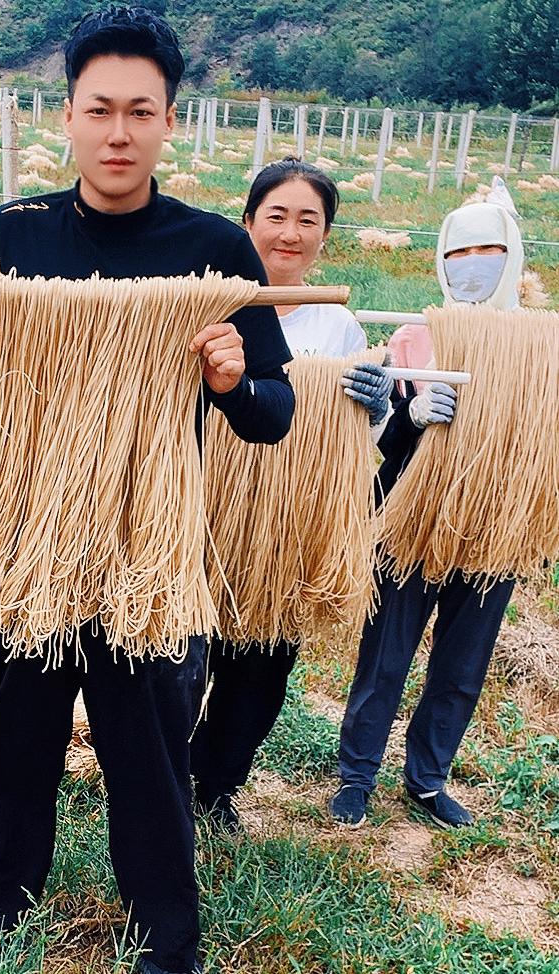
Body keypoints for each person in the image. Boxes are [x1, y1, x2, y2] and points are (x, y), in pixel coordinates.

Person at [0, 9, 295, 974]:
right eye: (100, 110)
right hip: (23, 538)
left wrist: (229, 379)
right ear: (70, 117)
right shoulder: (12, 233)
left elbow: (272, 413)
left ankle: (168, 945)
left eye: (141, 111)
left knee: (151, 757)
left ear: (170, 120)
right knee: (10, 742)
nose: (119, 132)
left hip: (148, 549)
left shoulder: (212, 249)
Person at [189, 157, 393, 833]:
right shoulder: (206, 305)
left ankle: (215, 787)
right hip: (202, 506)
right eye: (276, 215)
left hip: (284, 524)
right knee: (181, 658)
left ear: (326, 236)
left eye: (309, 219)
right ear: (247, 223)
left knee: (260, 674)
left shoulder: (340, 328)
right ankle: (162, 776)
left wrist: (379, 403)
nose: (291, 232)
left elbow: (363, 433)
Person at [330, 191, 526, 830]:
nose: (472, 264)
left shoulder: (538, 348)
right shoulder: (415, 338)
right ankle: (357, 776)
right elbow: (382, 453)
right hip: (410, 524)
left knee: (462, 665)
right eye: (458, 252)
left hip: (495, 530)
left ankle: (427, 779)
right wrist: (411, 417)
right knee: (384, 655)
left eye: (487, 251)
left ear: (513, 256)